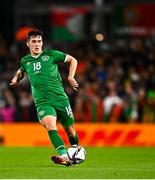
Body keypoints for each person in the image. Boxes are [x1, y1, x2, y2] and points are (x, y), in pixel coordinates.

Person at [10, 29, 79, 166]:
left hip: (60, 98)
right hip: (42, 102)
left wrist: (71, 77)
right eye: (34, 41)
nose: (37, 44)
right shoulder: (25, 60)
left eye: (39, 41)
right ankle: (64, 156)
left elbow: (73, 60)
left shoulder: (51, 54)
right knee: (50, 125)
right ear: (28, 44)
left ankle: (76, 151)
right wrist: (15, 79)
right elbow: (21, 71)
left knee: (70, 131)